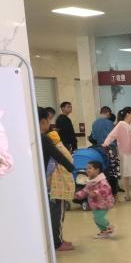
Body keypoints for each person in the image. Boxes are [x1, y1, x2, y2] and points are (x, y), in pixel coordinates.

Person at [39, 107, 75, 252]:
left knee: (52, 211)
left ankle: (55, 239)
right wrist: (71, 167)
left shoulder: (34, 138)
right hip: (52, 182)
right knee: (57, 211)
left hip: (43, 181)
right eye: (49, 120)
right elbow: (59, 156)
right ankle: (57, 242)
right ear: (43, 121)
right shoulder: (44, 139)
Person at [103, 107, 131, 200]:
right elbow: (112, 135)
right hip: (126, 152)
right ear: (127, 114)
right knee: (126, 173)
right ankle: (127, 194)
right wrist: (105, 144)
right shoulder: (121, 124)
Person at [46, 126, 76, 250]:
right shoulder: (55, 147)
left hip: (54, 187)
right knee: (57, 215)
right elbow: (69, 161)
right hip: (57, 187)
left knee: (57, 214)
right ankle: (57, 243)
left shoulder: (51, 146)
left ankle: (58, 239)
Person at [75, 160, 116, 238]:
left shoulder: (102, 180)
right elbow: (85, 191)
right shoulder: (90, 181)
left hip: (104, 203)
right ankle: (104, 231)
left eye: (90, 168)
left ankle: (110, 227)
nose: (87, 170)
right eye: (86, 168)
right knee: (96, 219)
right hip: (95, 204)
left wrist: (96, 193)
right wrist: (77, 195)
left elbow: (105, 189)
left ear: (97, 170)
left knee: (98, 218)